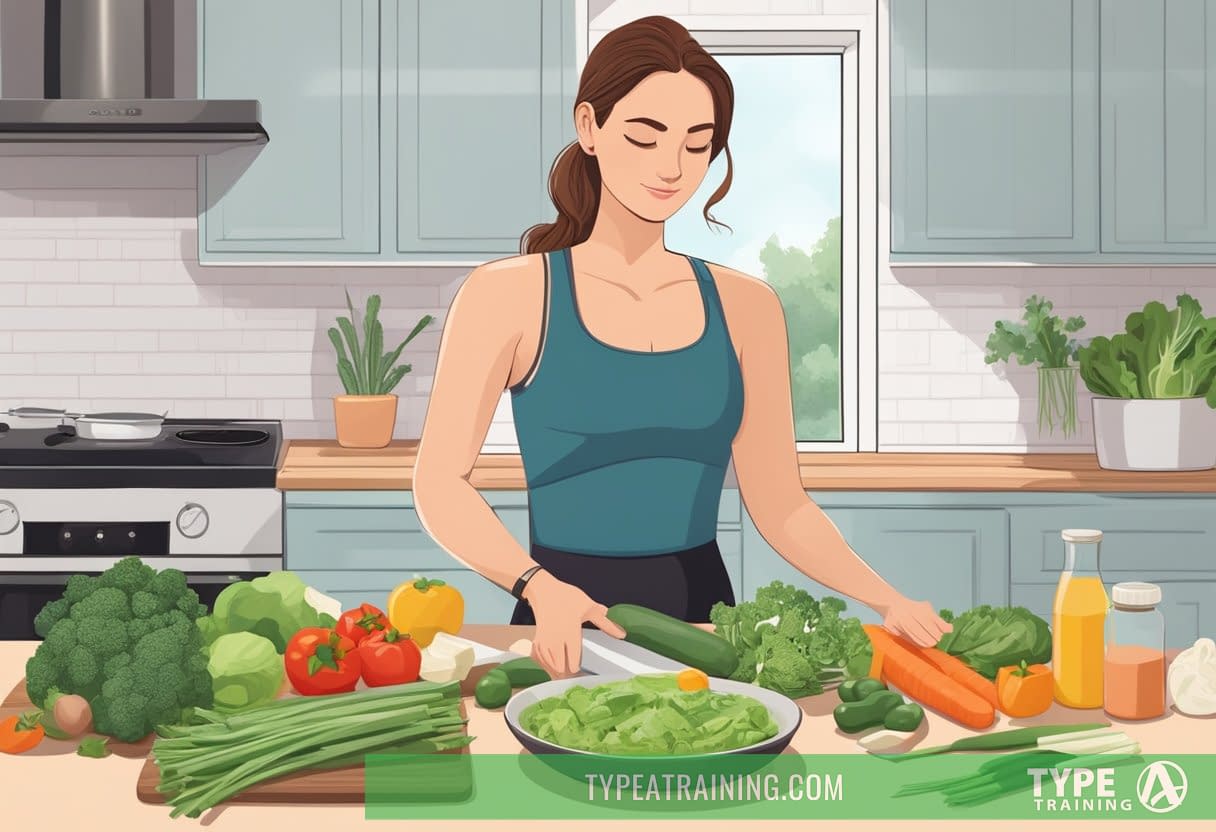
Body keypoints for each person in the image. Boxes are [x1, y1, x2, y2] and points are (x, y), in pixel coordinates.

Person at [414, 15, 951, 678]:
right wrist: (536, 585)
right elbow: (438, 482)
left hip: (708, 630)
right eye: (645, 138)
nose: (671, 168)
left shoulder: (748, 308)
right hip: (564, 623)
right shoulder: (509, 295)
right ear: (590, 128)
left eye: (697, 145)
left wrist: (886, 597)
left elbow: (782, 506)